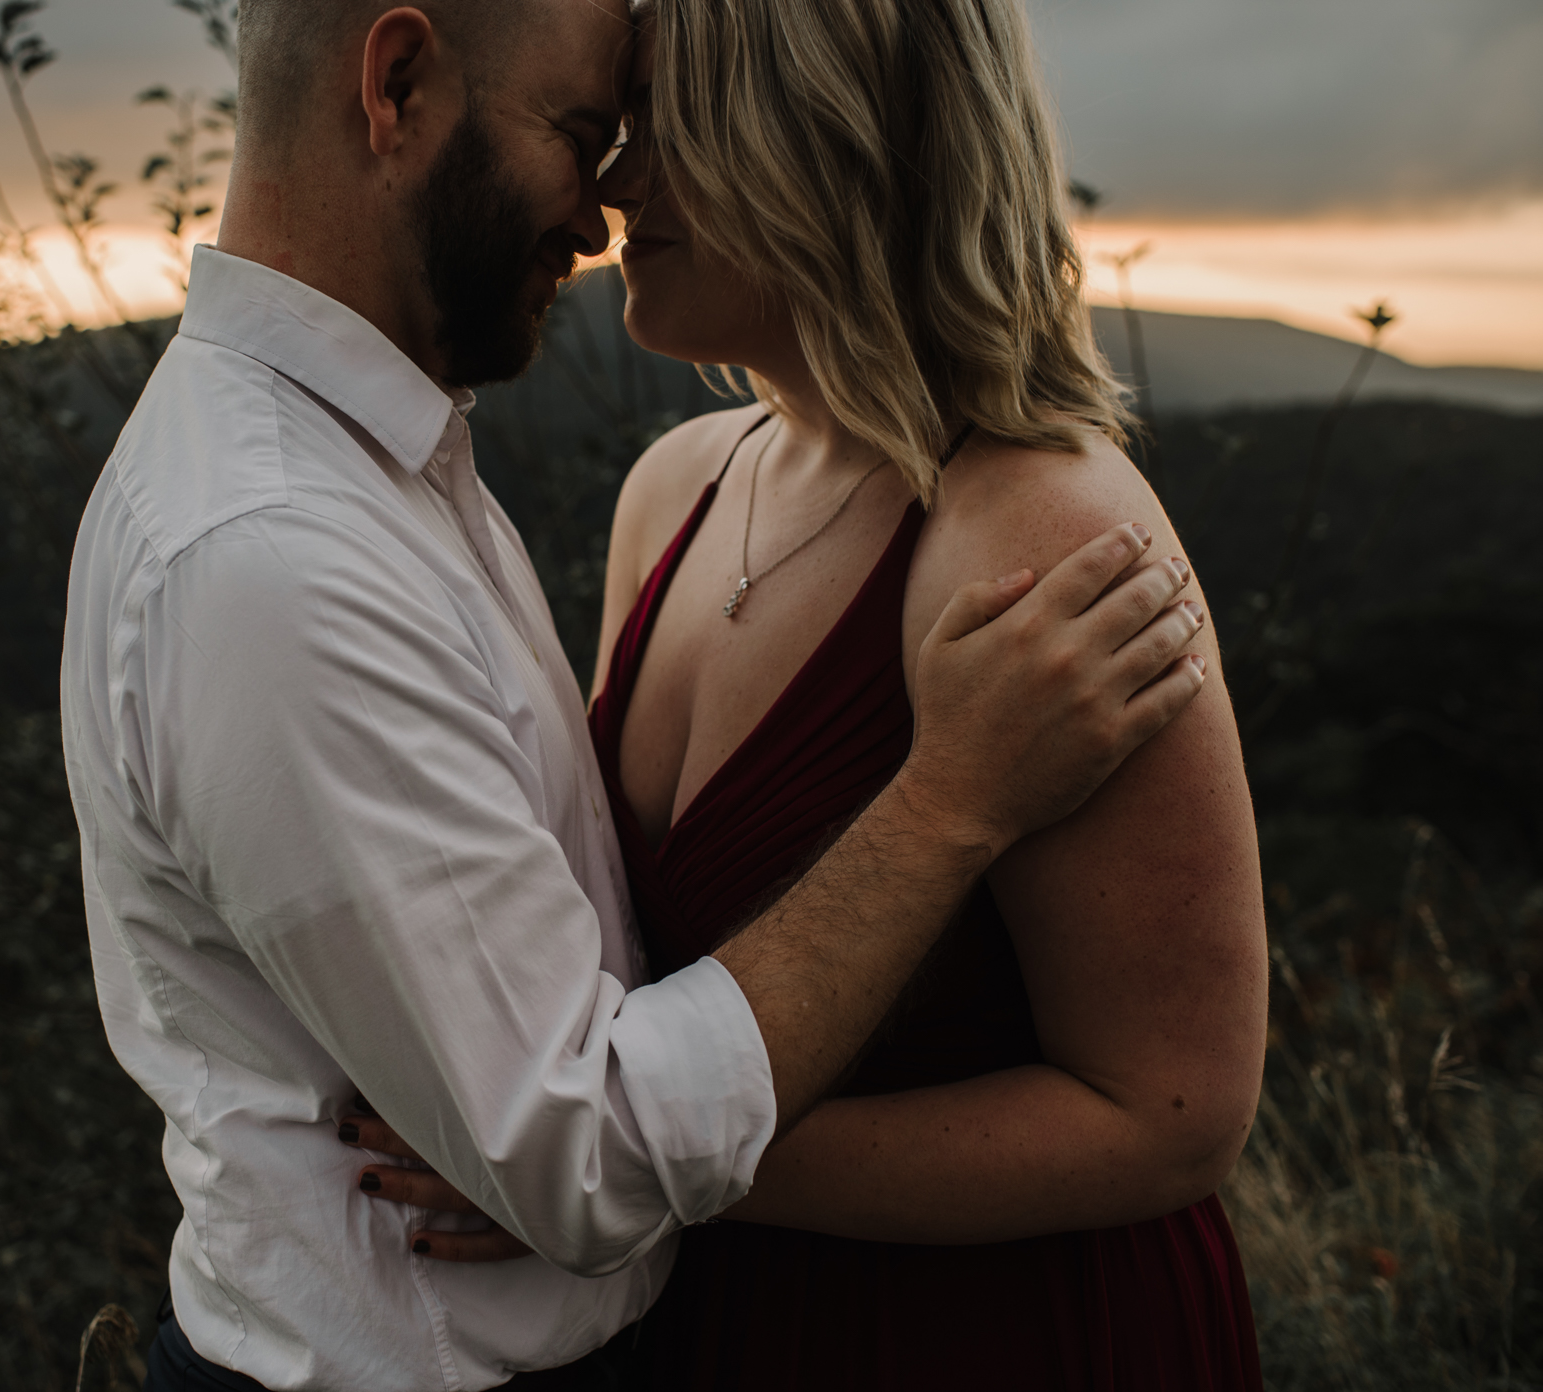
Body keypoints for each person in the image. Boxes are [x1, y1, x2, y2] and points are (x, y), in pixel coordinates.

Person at [60, 2, 1209, 1388]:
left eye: (655, 129)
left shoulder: (1035, 538)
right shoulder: (313, 540)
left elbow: (1175, 1108)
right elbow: (575, 1140)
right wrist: (558, 1144)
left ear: (823, 146)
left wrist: (575, 1152)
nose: (606, 201)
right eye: (587, 129)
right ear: (398, 83)